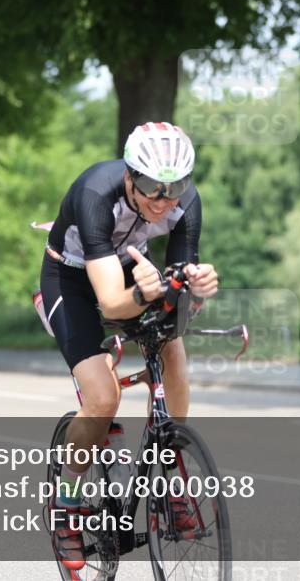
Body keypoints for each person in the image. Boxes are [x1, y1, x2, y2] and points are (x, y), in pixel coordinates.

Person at [40, 121, 219, 571]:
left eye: (174, 187)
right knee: (102, 398)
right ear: (128, 176)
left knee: (173, 348)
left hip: (128, 272)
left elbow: (179, 296)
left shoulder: (186, 203)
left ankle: (173, 475)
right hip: (74, 278)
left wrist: (195, 289)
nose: (164, 200)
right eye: (151, 188)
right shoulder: (95, 193)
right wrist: (148, 291)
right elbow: (112, 302)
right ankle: (66, 504)